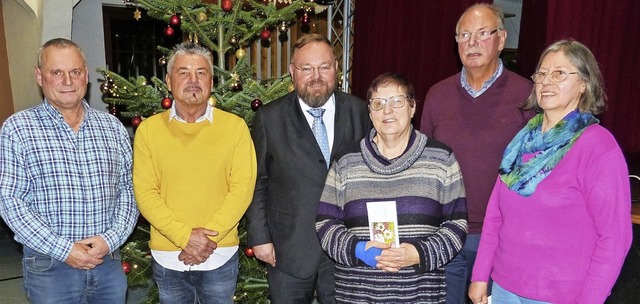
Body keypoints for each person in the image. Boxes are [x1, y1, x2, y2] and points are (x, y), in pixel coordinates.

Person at [469, 39, 632, 304]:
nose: (547, 81)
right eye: (542, 74)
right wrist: (479, 275)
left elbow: (615, 237)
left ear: (584, 84)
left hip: (562, 296)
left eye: (559, 73)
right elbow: (495, 216)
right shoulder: (521, 142)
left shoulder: (597, 147)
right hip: (504, 289)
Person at [0, 38, 139, 303]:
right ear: (40, 77)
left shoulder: (112, 128)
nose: (67, 81)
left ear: (85, 75)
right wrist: (65, 249)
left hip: (107, 263)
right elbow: (10, 201)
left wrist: (110, 239)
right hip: (50, 267)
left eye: (75, 72)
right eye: (56, 72)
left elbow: (128, 190)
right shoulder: (18, 129)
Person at [315, 73, 468, 303]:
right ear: (370, 112)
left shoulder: (441, 159)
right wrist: (358, 250)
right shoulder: (346, 160)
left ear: (412, 107)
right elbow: (325, 224)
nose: (387, 111)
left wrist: (417, 254)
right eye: (378, 104)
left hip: (420, 296)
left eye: (397, 101)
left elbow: (457, 226)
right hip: (357, 295)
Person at [419, 4, 534, 302]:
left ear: (502, 38)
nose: (472, 43)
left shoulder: (527, 96)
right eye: (464, 35)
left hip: (503, 238)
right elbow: (424, 165)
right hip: (446, 234)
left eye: (482, 33)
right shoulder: (437, 95)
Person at [245, 33, 371, 303]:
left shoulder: (360, 112)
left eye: (324, 67)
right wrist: (259, 238)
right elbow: (257, 182)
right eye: (306, 68)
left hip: (347, 248)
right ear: (292, 71)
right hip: (288, 249)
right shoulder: (269, 118)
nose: (316, 76)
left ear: (336, 68)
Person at [133, 42, 257, 304]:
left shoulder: (235, 128)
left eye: (201, 72)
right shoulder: (148, 131)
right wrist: (185, 238)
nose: (193, 80)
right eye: (183, 72)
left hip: (219, 254)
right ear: (169, 81)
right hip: (169, 256)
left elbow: (242, 188)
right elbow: (145, 193)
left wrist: (204, 240)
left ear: (211, 82)